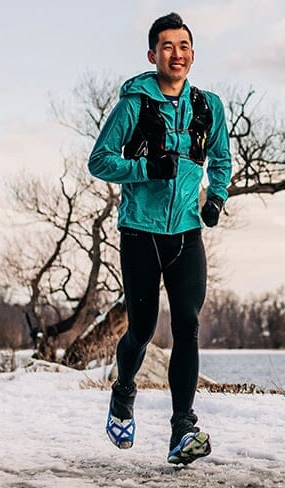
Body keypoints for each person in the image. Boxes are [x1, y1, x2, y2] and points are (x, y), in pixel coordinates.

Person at [87, 12, 231, 465]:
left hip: (187, 233)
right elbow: (99, 161)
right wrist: (147, 168)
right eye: (167, 46)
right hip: (140, 233)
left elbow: (221, 160)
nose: (177, 54)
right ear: (153, 55)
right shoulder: (134, 105)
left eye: (183, 46)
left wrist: (216, 197)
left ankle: (182, 428)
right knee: (143, 330)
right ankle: (123, 390)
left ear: (193, 54)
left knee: (188, 325)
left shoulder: (209, 107)